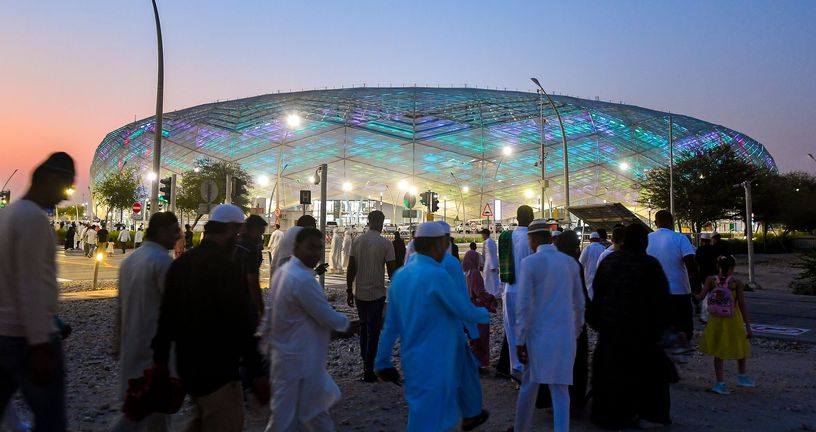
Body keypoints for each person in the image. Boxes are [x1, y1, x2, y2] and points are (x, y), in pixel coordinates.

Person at [151, 204, 268, 431]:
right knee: (225, 421)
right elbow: (240, 323)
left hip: (188, 366)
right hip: (219, 369)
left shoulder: (182, 264)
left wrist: (160, 360)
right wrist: (257, 373)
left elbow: (167, 317)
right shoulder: (226, 268)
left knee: (203, 419)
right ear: (230, 230)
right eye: (235, 232)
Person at [374, 222, 490, 432]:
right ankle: (471, 413)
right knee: (438, 418)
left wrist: (382, 361)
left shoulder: (400, 275)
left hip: (413, 359)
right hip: (440, 357)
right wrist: (484, 315)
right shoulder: (438, 275)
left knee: (421, 413)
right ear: (438, 244)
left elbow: (391, 325)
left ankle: (472, 413)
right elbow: (463, 308)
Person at [0, 152, 75, 431]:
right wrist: (41, 343)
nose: (65, 196)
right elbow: (32, 285)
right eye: (65, 185)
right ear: (50, 178)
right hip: (27, 340)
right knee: (50, 419)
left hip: (3, 334)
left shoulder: (8, 215)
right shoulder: (33, 219)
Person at [260, 228, 350, 431]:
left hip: (294, 359)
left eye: (319, 248)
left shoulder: (285, 271)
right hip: (299, 362)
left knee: (311, 414)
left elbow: (270, 313)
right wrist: (345, 322)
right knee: (286, 420)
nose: (316, 253)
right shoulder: (302, 279)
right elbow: (328, 316)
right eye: (311, 247)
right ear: (297, 247)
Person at [589, 224, 675, 429]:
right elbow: (661, 301)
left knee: (610, 377)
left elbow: (597, 294)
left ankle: (609, 415)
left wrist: (598, 322)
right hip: (642, 334)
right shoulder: (650, 265)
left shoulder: (610, 261)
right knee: (645, 376)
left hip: (611, 331)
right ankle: (647, 414)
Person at [513, 222, 585, 432]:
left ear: (532, 239)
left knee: (529, 386)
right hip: (565, 336)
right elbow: (579, 304)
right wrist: (577, 332)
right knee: (561, 391)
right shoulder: (570, 263)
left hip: (538, 337)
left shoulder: (529, 263)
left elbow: (523, 306)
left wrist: (519, 339)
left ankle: (521, 428)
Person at [113, 212, 180, 431]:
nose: (178, 235)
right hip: (154, 351)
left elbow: (120, 308)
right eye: (173, 231)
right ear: (160, 231)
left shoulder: (129, 261)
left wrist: (117, 344)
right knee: (151, 414)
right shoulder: (162, 262)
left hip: (131, 345)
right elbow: (172, 311)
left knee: (135, 405)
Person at [436, 221, 490, 428]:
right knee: (465, 372)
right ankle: (469, 414)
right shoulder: (450, 264)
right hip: (450, 330)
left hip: (423, 335)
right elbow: (462, 301)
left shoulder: (415, 264)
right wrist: (474, 333)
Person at [346, 211, 396, 382]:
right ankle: (369, 365)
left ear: (368, 222)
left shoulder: (357, 241)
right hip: (377, 293)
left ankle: (365, 362)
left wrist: (348, 290)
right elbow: (391, 271)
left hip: (359, 292)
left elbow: (351, 268)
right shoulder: (386, 244)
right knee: (373, 329)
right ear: (381, 223)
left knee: (364, 327)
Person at [696, 255, 756, 395]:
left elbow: (700, 297)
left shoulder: (711, 280)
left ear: (718, 267)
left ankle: (720, 383)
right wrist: (747, 326)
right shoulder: (736, 283)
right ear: (732, 268)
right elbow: (742, 305)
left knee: (718, 351)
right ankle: (742, 376)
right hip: (733, 319)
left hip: (715, 321)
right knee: (740, 345)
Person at [647, 210, 699, 344]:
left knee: (656, 329)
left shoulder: (647, 239)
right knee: (684, 329)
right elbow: (691, 265)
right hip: (679, 292)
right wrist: (696, 289)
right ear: (672, 222)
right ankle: (678, 355)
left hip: (654, 293)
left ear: (655, 223)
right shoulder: (680, 238)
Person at [499, 205, 535, 378]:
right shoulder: (531, 239)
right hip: (526, 291)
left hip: (509, 289)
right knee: (527, 331)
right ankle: (527, 369)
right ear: (530, 217)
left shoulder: (508, 236)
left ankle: (516, 369)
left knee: (511, 330)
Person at [463, 242, 495, 370]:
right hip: (478, 309)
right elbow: (480, 293)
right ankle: (479, 363)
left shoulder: (466, 274)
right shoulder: (475, 273)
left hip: (470, 308)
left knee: (473, 337)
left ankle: (473, 362)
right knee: (481, 336)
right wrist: (491, 298)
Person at [232, 215, 267, 323]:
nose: (260, 237)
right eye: (260, 233)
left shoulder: (235, 243)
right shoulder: (251, 248)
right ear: (253, 230)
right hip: (244, 300)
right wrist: (261, 307)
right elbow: (252, 281)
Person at [578, 231, 605, 300]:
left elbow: (581, 263)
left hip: (588, 276)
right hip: (601, 276)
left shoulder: (587, 248)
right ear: (599, 239)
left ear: (590, 240)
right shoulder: (603, 248)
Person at [480, 228, 501, 297]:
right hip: (494, 263)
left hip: (489, 265)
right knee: (493, 280)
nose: (482, 236)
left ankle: (489, 294)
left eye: (482, 234)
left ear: (485, 234)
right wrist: (496, 265)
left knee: (487, 280)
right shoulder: (493, 242)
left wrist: (491, 266)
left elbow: (488, 254)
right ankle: (495, 293)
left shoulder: (486, 242)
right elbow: (495, 254)